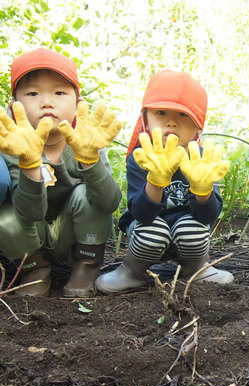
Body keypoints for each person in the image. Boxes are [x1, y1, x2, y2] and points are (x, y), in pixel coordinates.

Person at [95, 70, 233, 294]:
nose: (171, 122)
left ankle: (196, 268)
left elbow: (208, 217)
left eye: (183, 116)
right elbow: (141, 213)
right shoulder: (142, 157)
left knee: (192, 227)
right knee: (154, 230)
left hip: (187, 231)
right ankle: (132, 271)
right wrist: (156, 182)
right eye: (161, 112)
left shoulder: (202, 160)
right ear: (145, 120)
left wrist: (203, 190)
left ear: (199, 127)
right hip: (147, 227)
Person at [0, 47, 122, 297]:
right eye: (32, 93)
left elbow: (109, 202)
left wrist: (90, 161)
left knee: (87, 193)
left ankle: (86, 266)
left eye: (59, 92)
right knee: (6, 215)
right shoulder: (13, 147)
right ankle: (35, 270)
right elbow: (29, 211)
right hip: (32, 234)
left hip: (74, 233)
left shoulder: (85, 140)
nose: (46, 102)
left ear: (77, 105)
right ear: (15, 107)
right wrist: (30, 164)